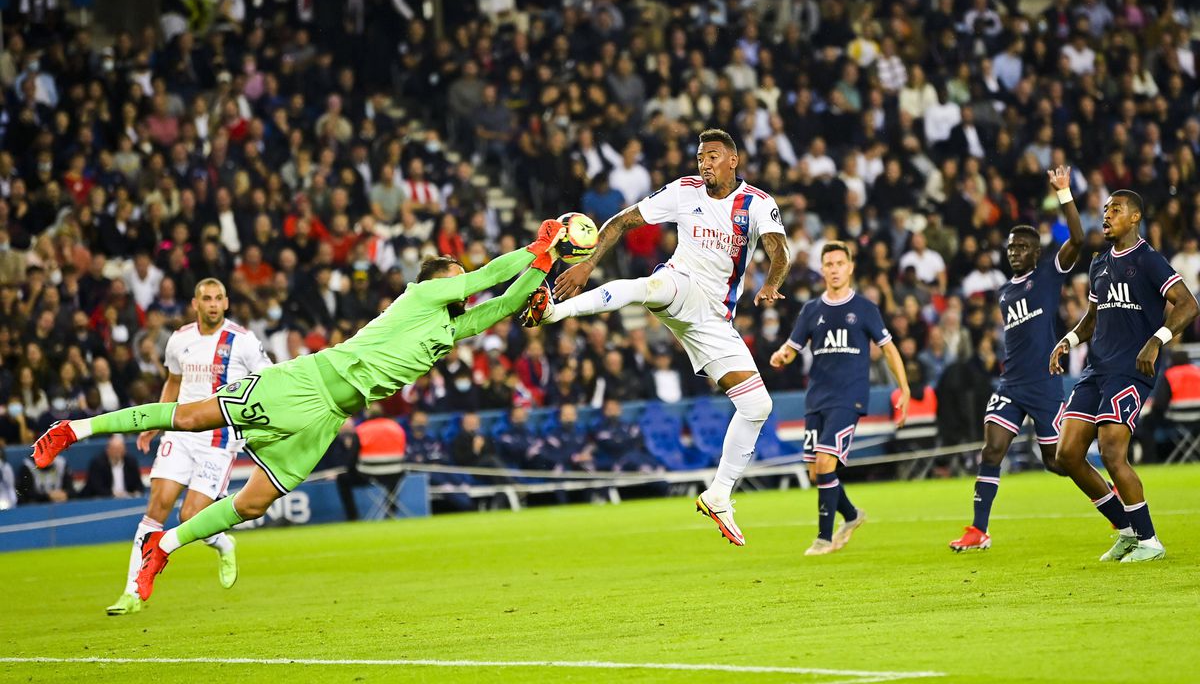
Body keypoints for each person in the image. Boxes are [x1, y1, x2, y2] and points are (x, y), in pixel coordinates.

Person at [32, 220, 567, 603]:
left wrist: (546, 263)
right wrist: (540, 243)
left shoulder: (451, 327)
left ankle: (163, 547)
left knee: (252, 503)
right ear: (435, 281)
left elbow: (503, 302)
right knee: (192, 416)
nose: (460, 281)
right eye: (454, 275)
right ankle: (74, 428)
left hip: (330, 417)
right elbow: (486, 278)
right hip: (308, 382)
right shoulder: (420, 296)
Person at [526, 128, 791, 546]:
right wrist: (588, 264)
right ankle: (555, 310)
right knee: (650, 287)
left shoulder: (757, 203)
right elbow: (621, 221)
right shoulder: (684, 191)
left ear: (733, 160)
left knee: (758, 406)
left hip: (715, 319)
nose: (704, 164)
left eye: (713, 156)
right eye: (700, 157)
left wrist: (772, 283)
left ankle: (719, 494)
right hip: (681, 282)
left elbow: (779, 250)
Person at [1049, 190, 1199, 563]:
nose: (1106, 215)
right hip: (1096, 369)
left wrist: (1157, 340)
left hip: (1130, 371)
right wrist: (1068, 340)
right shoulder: (1099, 263)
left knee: (1112, 452)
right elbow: (1093, 318)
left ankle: (1149, 541)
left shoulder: (1149, 260)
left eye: (1115, 209)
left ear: (1135, 217)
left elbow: (1188, 304)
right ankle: (1128, 530)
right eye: (1105, 210)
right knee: (1066, 455)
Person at [107, 278, 273, 615]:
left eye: (218, 298)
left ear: (226, 303)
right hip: (180, 433)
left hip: (218, 438)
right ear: (195, 304)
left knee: (190, 516)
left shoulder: (242, 340)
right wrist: (156, 421)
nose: (212, 304)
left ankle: (223, 542)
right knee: (158, 506)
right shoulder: (179, 339)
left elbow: (268, 381)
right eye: (206, 298)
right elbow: (173, 381)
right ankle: (132, 592)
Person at [949, 167, 1084, 552]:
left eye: (1022, 247)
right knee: (991, 450)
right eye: (1010, 247)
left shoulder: (1048, 275)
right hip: (1011, 384)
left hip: (1043, 384)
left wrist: (1064, 193)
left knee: (1057, 462)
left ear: (1036, 253)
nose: (1014, 252)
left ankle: (1108, 494)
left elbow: (1077, 238)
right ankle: (979, 531)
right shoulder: (1005, 292)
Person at [769, 241, 911, 555]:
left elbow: (889, 349)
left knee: (824, 462)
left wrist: (905, 388)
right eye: (829, 264)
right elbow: (792, 347)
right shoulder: (811, 310)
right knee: (816, 472)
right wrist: (781, 355)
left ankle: (823, 538)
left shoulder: (864, 308)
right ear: (822, 270)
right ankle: (852, 515)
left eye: (840, 264)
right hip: (816, 398)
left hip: (849, 397)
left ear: (850, 268)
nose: (834, 270)